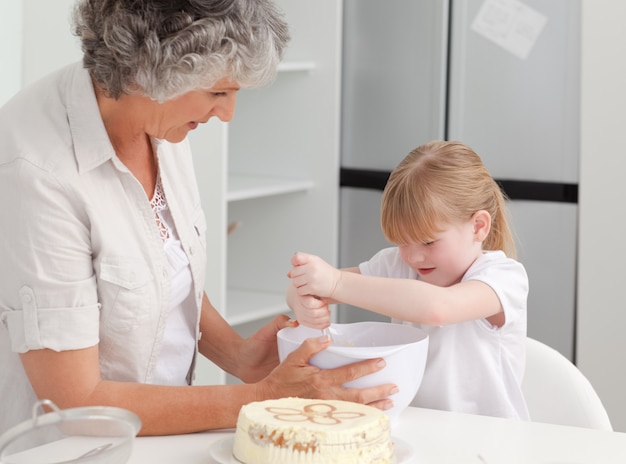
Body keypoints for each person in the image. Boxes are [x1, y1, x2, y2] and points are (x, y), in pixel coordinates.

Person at [0, 0, 397, 437]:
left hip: (161, 437)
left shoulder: (160, 119)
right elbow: (77, 402)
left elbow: (157, 268)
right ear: (148, 72)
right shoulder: (37, 172)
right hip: (71, 449)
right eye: (218, 93)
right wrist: (268, 398)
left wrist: (238, 356)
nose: (226, 114)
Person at [288, 140, 530, 420]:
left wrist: (336, 284)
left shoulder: (503, 277)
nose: (414, 258)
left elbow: (438, 308)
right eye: (403, 242)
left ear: (478, 226)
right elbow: (310, 290)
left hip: (490, 442)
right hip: (419, 429)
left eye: (428, 242)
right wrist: (301, 298)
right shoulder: (397, 264)